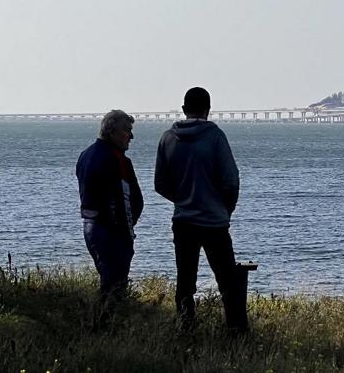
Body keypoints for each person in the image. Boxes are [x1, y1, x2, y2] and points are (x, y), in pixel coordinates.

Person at [154, 87, 245, 331]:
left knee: (185, 281)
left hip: (183, 221)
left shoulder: (167, 138)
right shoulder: (216, 137)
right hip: (214, 221)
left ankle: (186, 329)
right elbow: (231, 180)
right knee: (227, 282)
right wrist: (226, 209)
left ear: (183, 110)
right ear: (208, 109)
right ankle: (236, 331)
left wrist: (183, 198)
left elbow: (160, 184)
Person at [76, 109, 143, 325]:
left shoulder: (85, 155)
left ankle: (102, 325)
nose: (130, 137)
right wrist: (127, 232)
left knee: (108, 280)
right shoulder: (118, 160)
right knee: (115, 285)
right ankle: (103, 327)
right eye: (127, 131)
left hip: (90, 226)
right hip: (112, 230)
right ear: (113, 132)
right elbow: (128, 199)